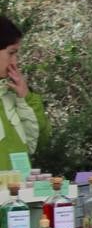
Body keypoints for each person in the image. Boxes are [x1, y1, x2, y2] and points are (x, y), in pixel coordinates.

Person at [0, 16, 48, 162]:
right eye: (11, 53)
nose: (15, 61)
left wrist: (26, 98)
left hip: (20, 184)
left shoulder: (11, 94)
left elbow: (37, 143)